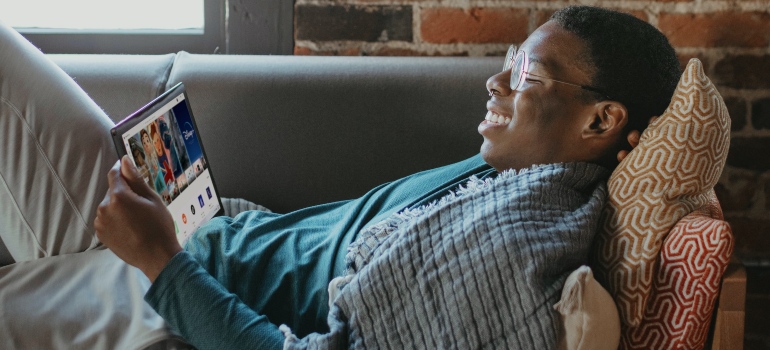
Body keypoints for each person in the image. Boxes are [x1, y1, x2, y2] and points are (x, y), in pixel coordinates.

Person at [0, 5, 681, 350]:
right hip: (208, 233)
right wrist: (216, 216)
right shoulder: (512, 170)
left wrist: (162, 259)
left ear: (601, 121)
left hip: (163, 296)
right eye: (509, 59)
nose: (496, 80)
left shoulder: (508, 252)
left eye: (525, 74)